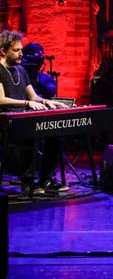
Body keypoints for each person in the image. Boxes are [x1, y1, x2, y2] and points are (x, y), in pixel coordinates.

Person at [0, 30, 67, 194]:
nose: (21, 54)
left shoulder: (21, 70)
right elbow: (1, 100)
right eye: (16, 50)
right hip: (5, 121)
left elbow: (33, 96)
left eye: (21, 50)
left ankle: (46, 179)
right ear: (3, 51)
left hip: (22, 118)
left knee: (55, 133)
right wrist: (27, 103)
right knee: (28, 135)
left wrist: (47, 102)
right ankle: (28, 182)